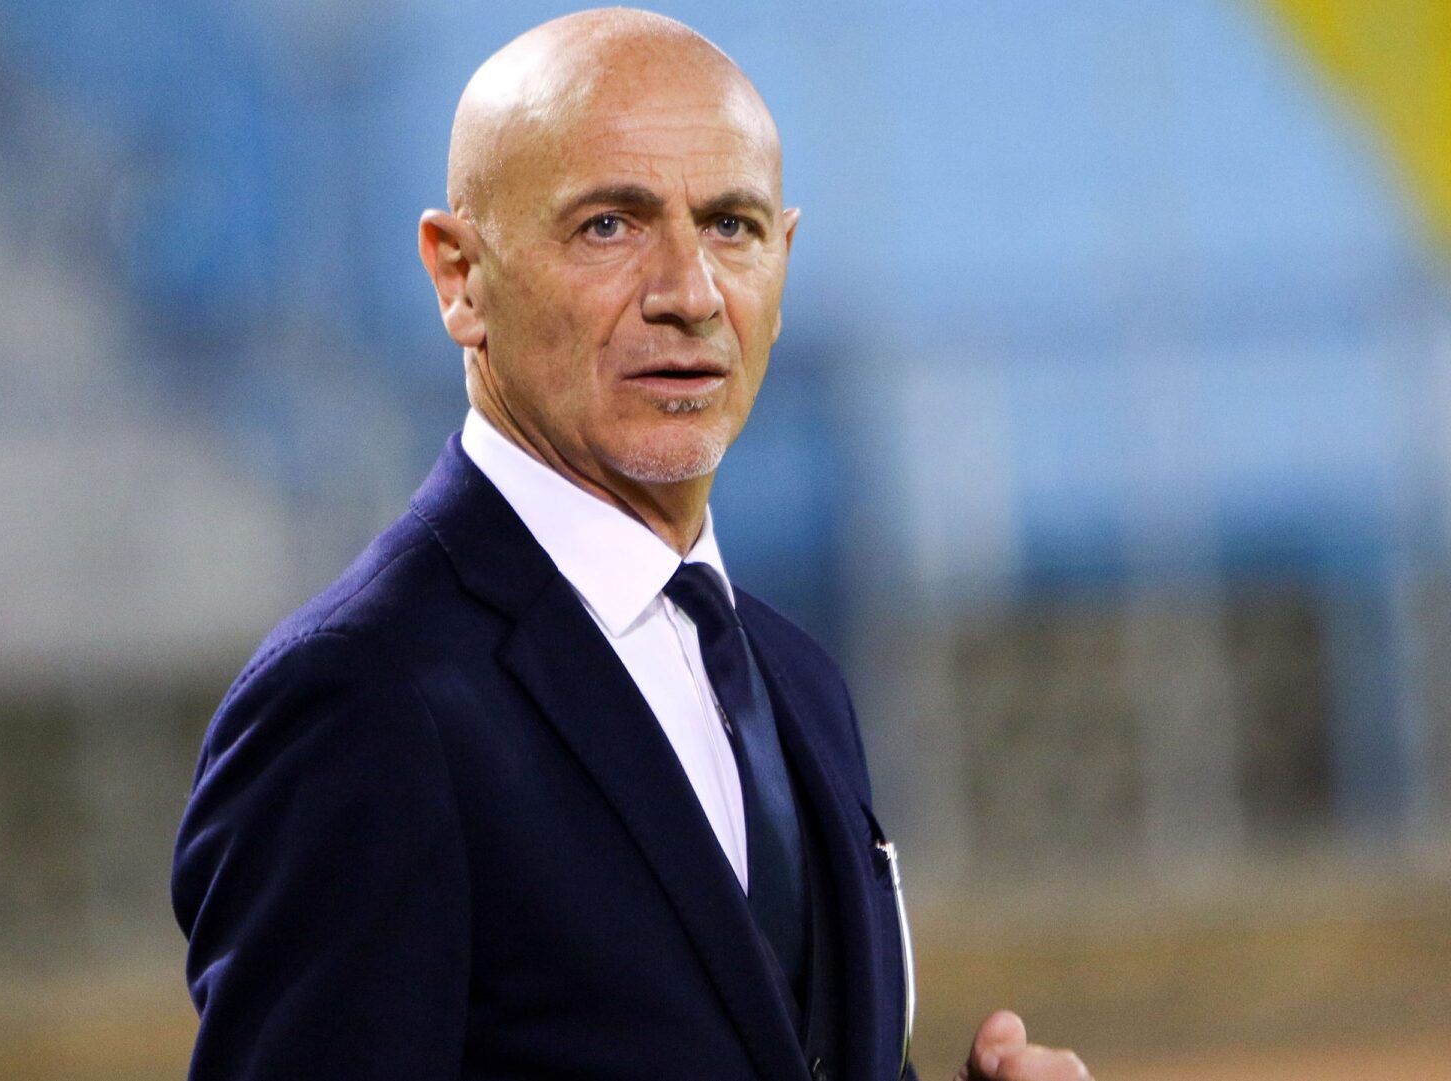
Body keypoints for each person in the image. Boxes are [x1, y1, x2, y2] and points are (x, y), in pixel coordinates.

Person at [171, 9, 1092, 1081]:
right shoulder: (363, 699)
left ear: (783, 262)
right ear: (460, 276)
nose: (689, 293)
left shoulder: (798, 678)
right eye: (609, 225)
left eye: (732, 226)